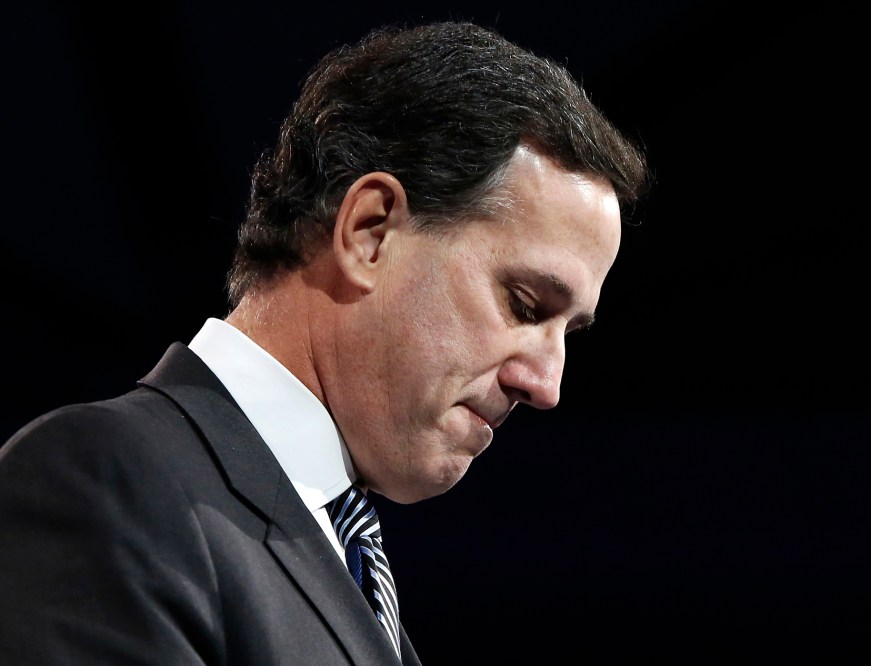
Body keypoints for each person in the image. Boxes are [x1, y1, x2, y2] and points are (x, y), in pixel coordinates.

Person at [0, 20, 650, 665]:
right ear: (370, 232)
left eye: (568, 334)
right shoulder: (106, 482)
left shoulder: (345, 566)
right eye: (525, 304)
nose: (546, 385)